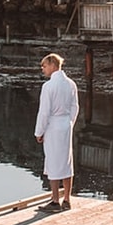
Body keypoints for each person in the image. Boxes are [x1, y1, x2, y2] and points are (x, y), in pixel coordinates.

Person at [34, 52, 79, 213]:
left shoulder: (48, 86)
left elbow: (44, 112)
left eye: (44, 66)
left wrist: (39, 131)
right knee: (67, 160)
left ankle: (54, 200)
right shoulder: (71, 84)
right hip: (66, 123)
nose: (43, 69)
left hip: (53, 124)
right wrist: (71, 122)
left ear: (53, 65)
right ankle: (67, 198)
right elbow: (75, 106)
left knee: (53, 161)